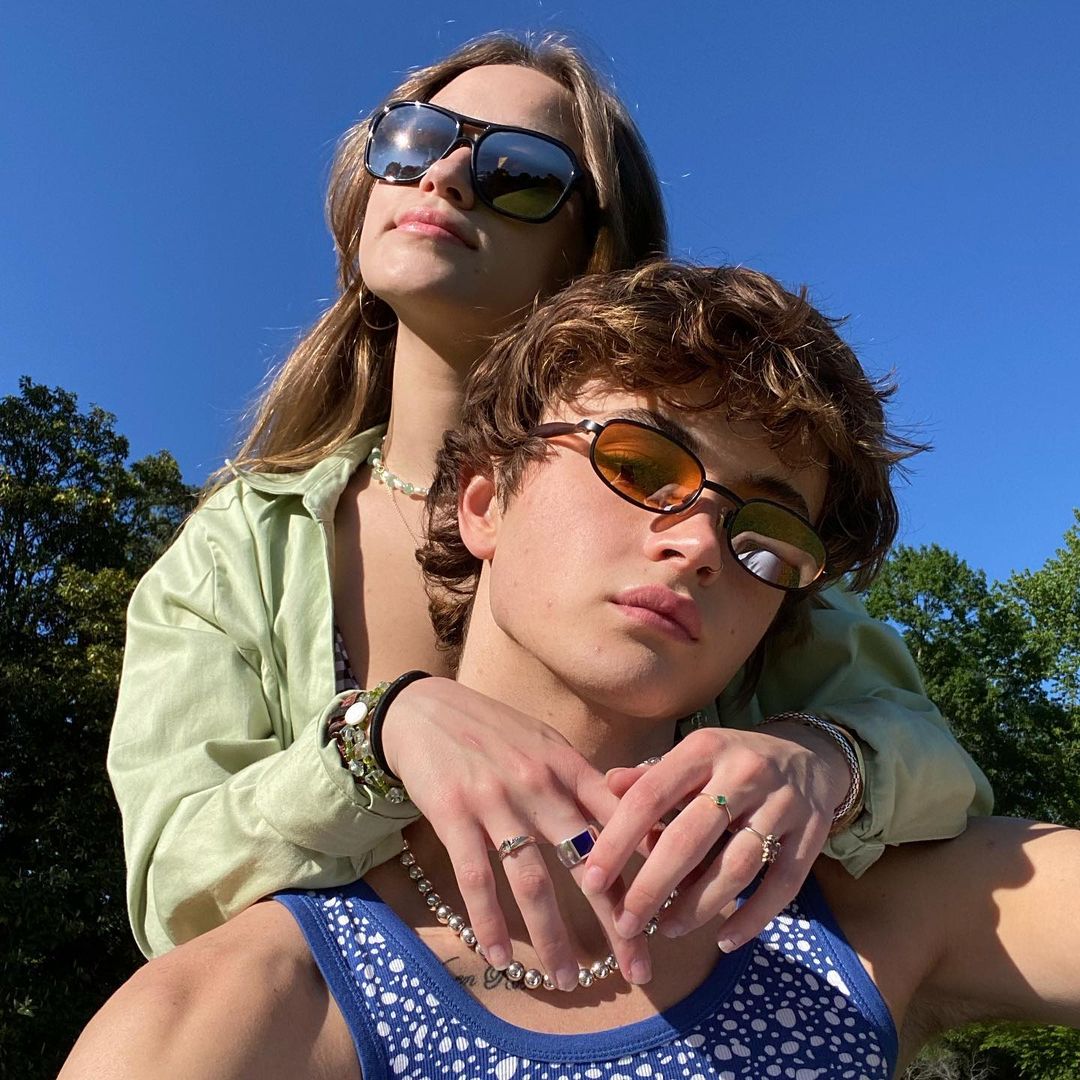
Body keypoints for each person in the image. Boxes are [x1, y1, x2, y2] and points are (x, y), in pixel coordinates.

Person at [107, 31, 990, 985]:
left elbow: (931, 759)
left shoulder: (726, 534)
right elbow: (174, 891)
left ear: (593, 247)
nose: (444, 175)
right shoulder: (238, 544)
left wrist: (821, 759)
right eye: (412, 138)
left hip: (646, 997)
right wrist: (376, 738)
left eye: (519, 173)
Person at [65, 263, 1078, 1079]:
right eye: (637, 465)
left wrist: (829, 756)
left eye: (767, 531)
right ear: (482, 503)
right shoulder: (256, 1003)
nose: (699, 542)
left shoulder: (860, 910)